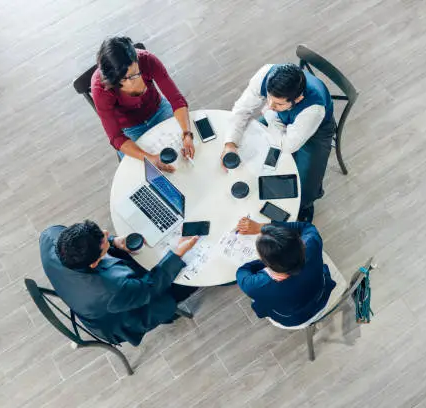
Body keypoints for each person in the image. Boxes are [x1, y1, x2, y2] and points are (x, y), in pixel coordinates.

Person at [39, 220, 199, 346]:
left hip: (79, 295)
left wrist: (112, 242)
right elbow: (150, 287)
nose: (106, 232)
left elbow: (96, 242)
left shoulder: (50, 236)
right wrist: (177, 254)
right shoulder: (112, 290)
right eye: (103, 240)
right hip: (118, 321)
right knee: (183, 283)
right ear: (94, 264)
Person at [222, 63, 336, 222]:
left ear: (298, 98)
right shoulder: (265, 75)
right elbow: (241, 110)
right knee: (250, 146)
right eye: (268, 98)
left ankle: (304, 207)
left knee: (306, 182)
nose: (270, 105)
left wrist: (270, 116)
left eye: (278, 103)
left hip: (315, 132)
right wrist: (230, 144)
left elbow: (289, 145)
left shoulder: (314, 109)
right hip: (280, 120)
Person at [92, 36, 195, 172]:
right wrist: (149, 158)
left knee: (189, 153)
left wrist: (187, 134)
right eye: (122, 80)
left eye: (133, 75)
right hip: (129, 128)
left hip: (158, 109)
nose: (130, 83)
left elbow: (176, 100)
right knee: (144, 175)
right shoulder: (100, 88)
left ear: (136, 59)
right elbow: (116, 137)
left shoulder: (148, 60)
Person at [235, 218, 336, 327]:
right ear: (300, 243)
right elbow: (306, 226)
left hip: (293, 319)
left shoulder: (256, 285)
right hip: (322, 295)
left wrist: (263, 262)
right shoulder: (312, 243)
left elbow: (242, 271)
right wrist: (263, 227)